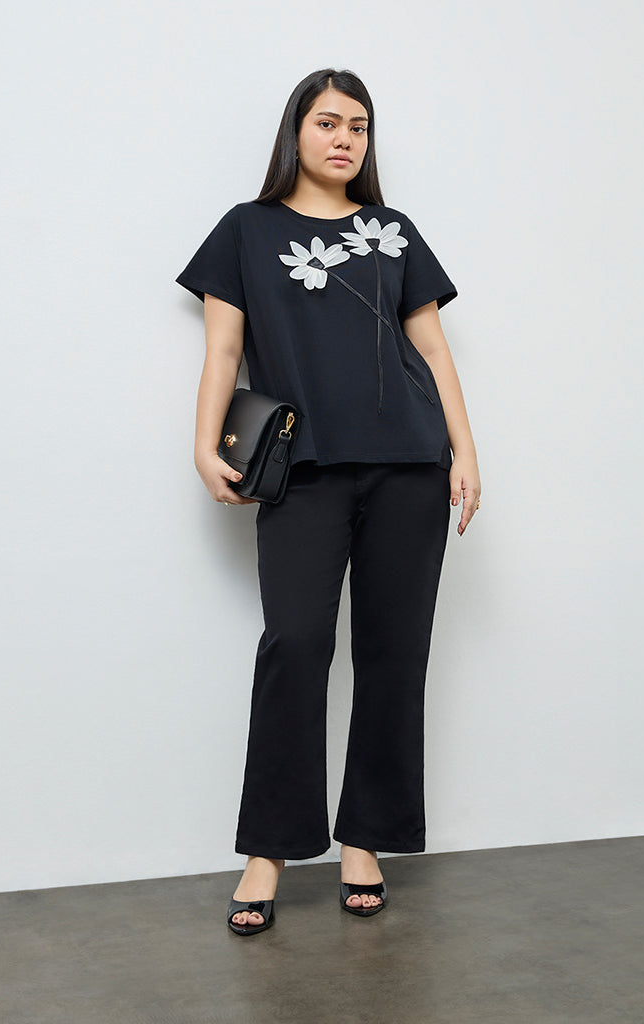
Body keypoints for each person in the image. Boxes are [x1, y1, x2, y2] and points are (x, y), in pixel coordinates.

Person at [175, 68, 481, 936]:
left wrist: (464, 449)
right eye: (327, 122)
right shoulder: (247, 229)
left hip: (409, 465)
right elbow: (223, 351)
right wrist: (202, 444)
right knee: (296, 645)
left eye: (359, 126)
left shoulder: (392, 231)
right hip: (303, 470)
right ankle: (268, 851)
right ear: (295, 132)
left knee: (393, 653)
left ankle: (365, 841)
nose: (345, 138)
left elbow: (435, 350)